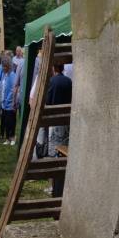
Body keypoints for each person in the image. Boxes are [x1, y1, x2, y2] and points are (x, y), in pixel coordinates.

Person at [45, 60, 72, 196]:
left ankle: (52, 186)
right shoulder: (69, 81)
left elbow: (48, 101)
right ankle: (63, 184)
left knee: (53, 154)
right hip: (66, 122)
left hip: (54, 121)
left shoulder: (51, 81)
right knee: (64, 153)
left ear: (54, 68)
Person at [0, 55, 20, 144]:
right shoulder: (4, 75)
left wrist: (7, 100)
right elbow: (2, 87)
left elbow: (13, 89)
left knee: (11, 121)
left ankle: (13, 137)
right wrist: (2, 99)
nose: (3, 68)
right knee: (6, 122)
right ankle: (7, 138)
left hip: (10, 103)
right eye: (3, 66)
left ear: (9, 66)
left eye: (5, 66)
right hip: (4, 103)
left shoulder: (12, 75)